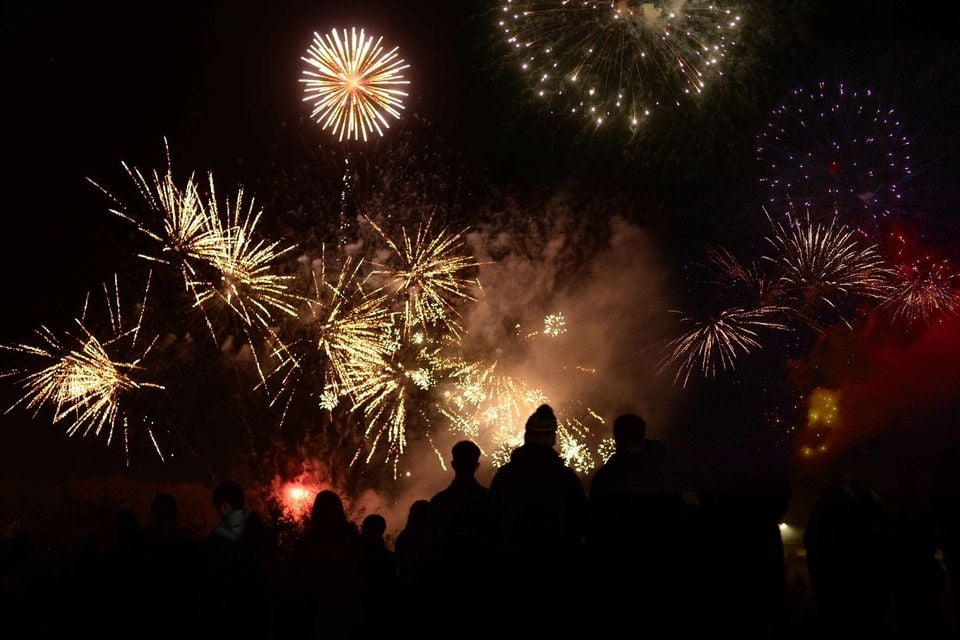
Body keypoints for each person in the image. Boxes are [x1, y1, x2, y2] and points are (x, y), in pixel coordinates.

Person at [490, 404, 586, 627]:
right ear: (552, 439)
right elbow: (581, 524)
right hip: (557, 576)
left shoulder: (505, 476)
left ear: (526, 436)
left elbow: (492, 521)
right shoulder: (566, 479)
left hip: (512, 575)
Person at [588, 414, 686, 629]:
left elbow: (595, 527)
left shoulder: (606, 478)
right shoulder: (666, 473)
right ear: (643, 435)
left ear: (616, 438)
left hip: (620, 574)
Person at [291, 490, 362, 639]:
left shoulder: (306, 544)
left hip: (317, 611)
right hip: (346, 610)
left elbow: (296, 579)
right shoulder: (353, 541)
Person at [203, 480, 271, 636]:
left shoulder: (216, 540)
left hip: (227, 614)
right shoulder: (263, 533)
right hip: (258, 612)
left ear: (224, 506)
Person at [430, 441, 497, 576]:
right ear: (477, 466)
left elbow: (433, 546)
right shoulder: (489, 500)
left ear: (453, 465)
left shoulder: (439, 502)